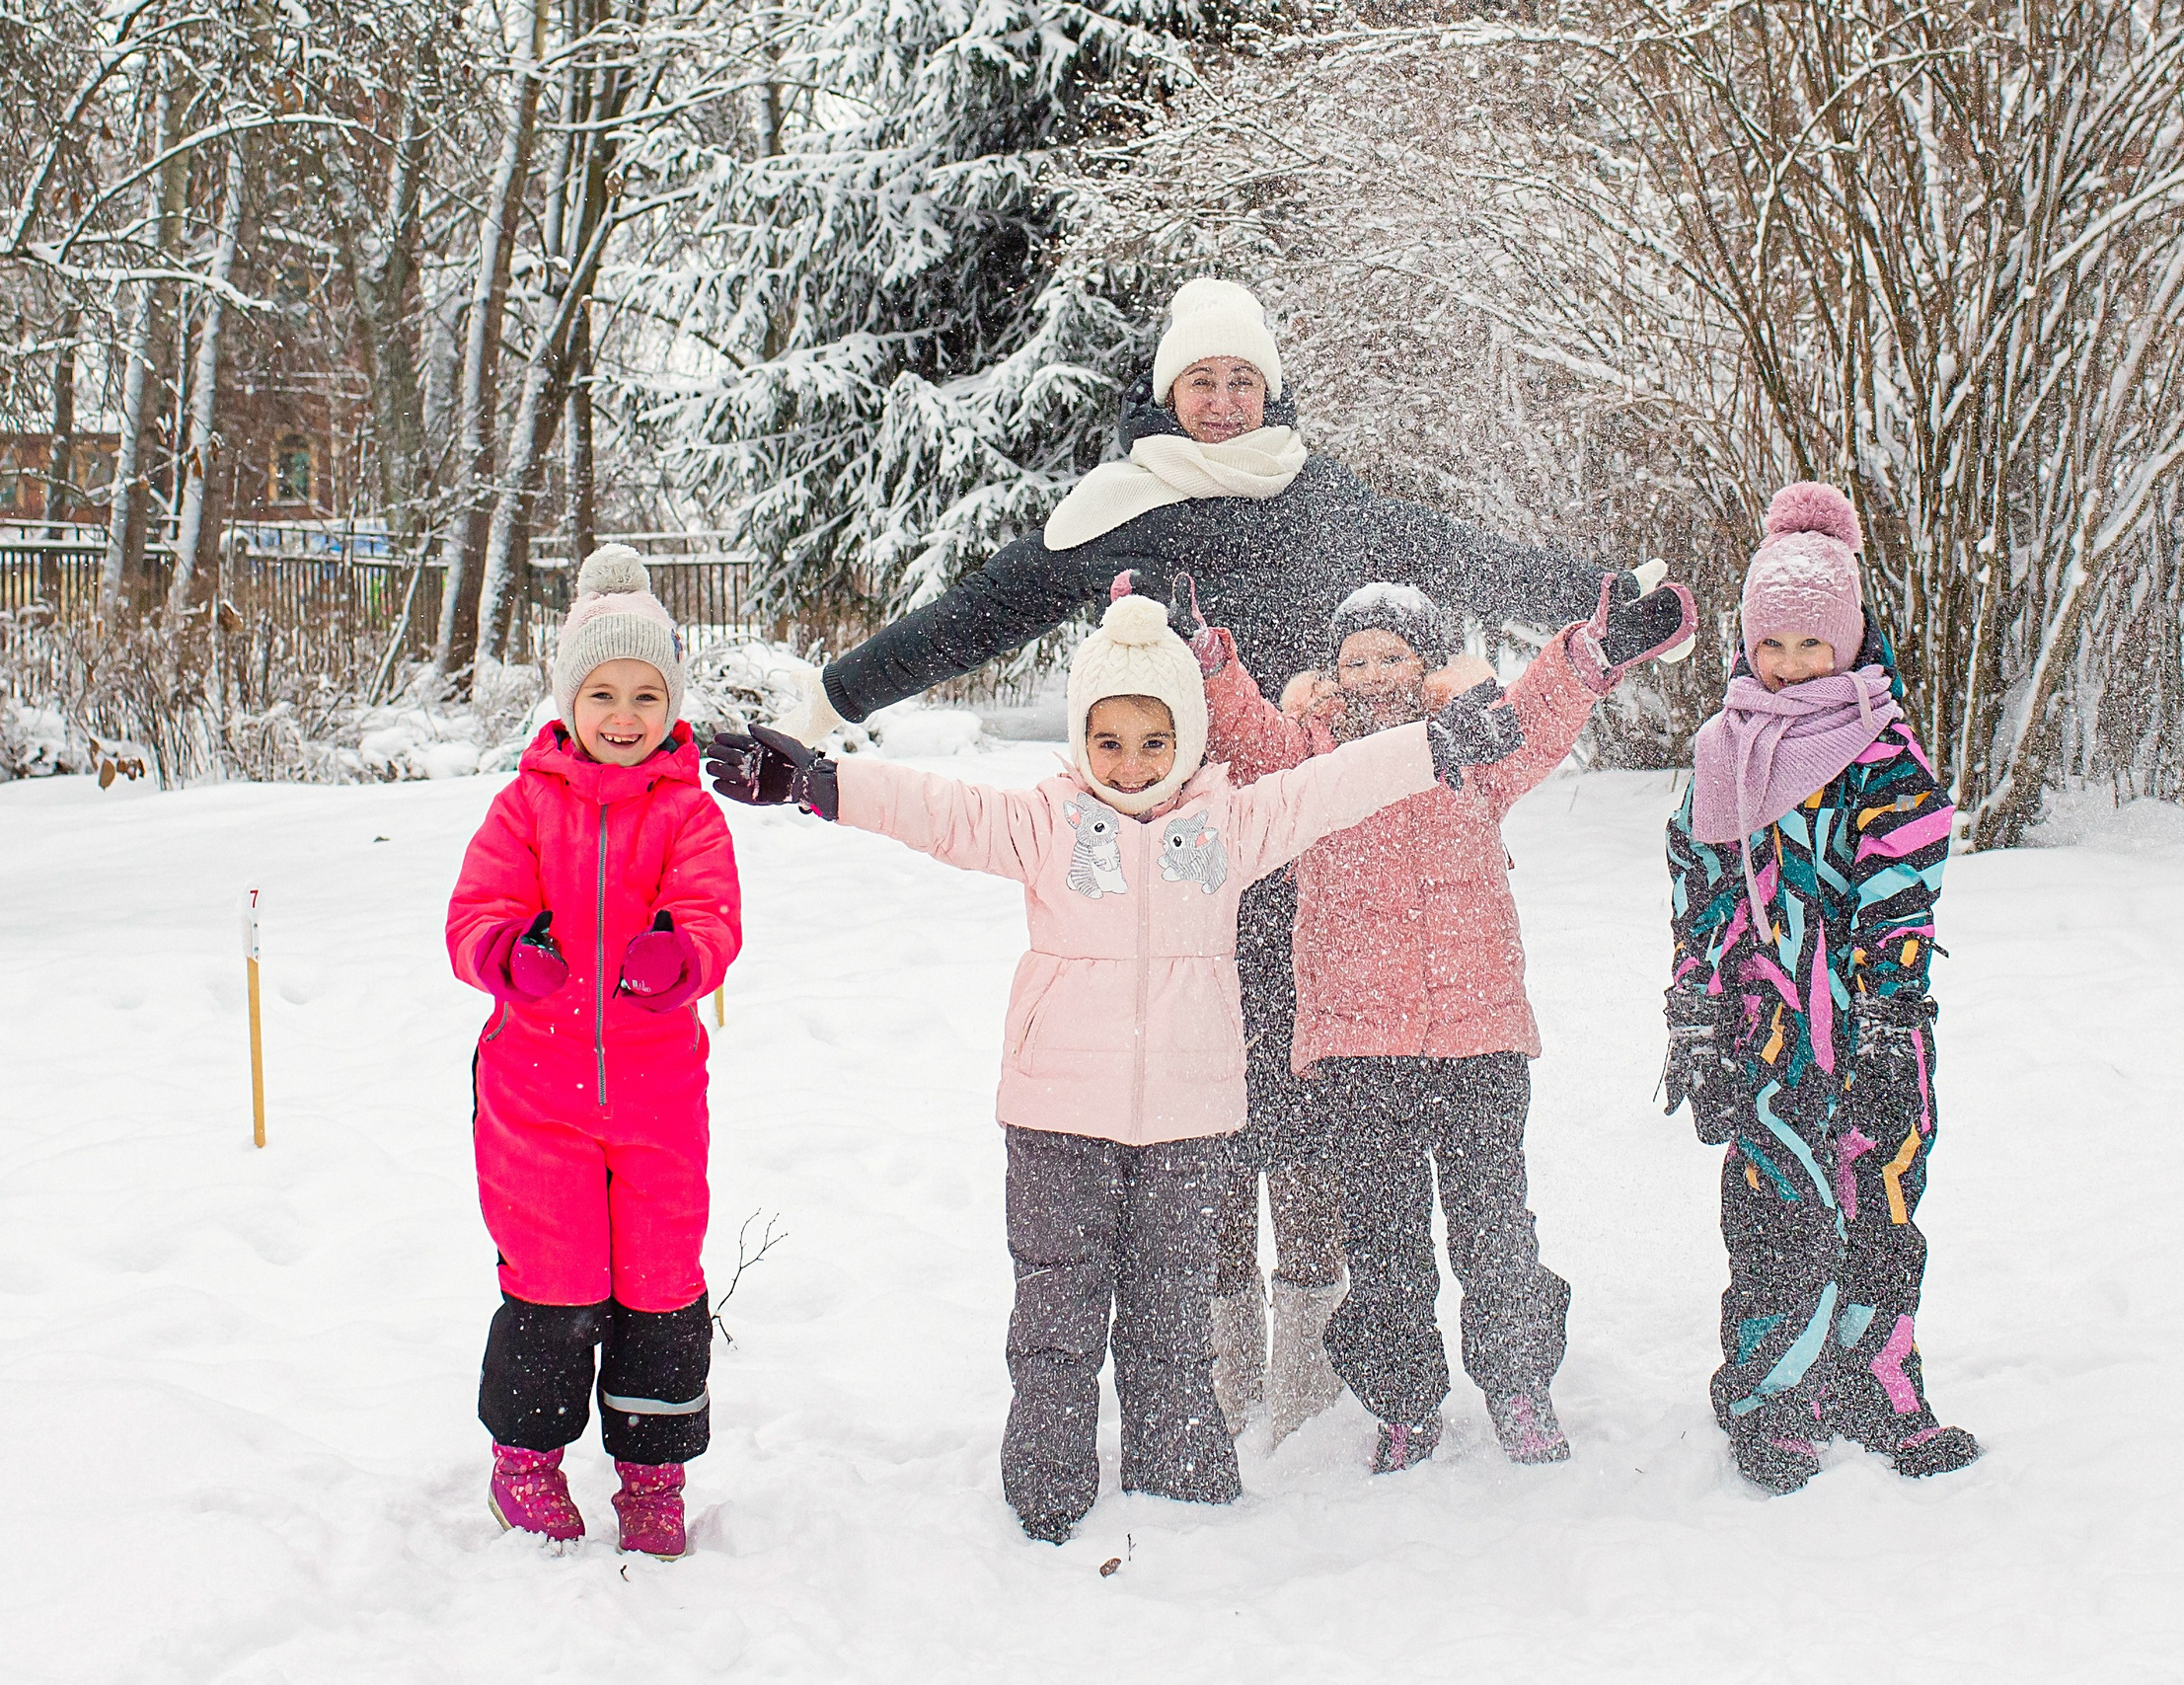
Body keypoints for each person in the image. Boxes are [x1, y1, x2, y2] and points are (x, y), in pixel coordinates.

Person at [771, 276, 1681, 1438]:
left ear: (1269, 387)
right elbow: (974, 614)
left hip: (1320, 835)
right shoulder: (1114, 512)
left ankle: (1311, 1361)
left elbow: (1449, 555)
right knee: (1196, 1093)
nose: (1220, 400)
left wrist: (1590, 595)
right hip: (1179, 842)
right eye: (1199, 380)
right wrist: (837, 693)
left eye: (1240, 379)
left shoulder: (1317, 491)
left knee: (1309, 1098)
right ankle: (1213, 1360)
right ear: (1165, 391)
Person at [702, 590, 1529, 1542]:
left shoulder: (1227, 826)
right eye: (1110, 742)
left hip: (1186, 1118)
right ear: (1080, 740)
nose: (1132, 764)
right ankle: (1048, 1474)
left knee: (1170, 1310)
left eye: (1154, 740)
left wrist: (1435, 744)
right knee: (1057, 1308)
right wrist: (822, 781)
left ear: (1185, 737)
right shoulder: (1046, 825)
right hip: (1059, 1115)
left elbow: (1331, 786)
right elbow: (941, 809)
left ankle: (1175, 1460)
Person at [1199, 575, 1696, 1469]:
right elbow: (1243, 731)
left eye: (1393, 655)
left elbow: (1540, 712)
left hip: (1478, 1033)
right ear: (1333, 673)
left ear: (1425, 663)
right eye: (1356, 660)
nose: (1375, 673)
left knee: (1495, 1225)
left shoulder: (1472, 742)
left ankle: (1517, 1383)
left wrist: (1589, 653)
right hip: (1361, 1045)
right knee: (1386, 1237)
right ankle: (1402, 1403)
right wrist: (1211, 664)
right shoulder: (1309, 760)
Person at [1659, 483, 1979, 1494]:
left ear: (1848, 642)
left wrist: (1890, 1006)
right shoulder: (1720, 755)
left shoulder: (1884, 753)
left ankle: (1875, 1376)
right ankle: (1772, 1391)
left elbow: (1901, 894)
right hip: (1764, 1031)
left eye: (1812, 647)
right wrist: (1694, 1016)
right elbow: (1700, 896)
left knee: (1880, 1195)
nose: (1793, 667)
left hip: (1872, 1024)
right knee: (1777, 1207)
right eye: (1773, 648)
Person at [445, 547, 742, 1556]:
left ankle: (651, 1476)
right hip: (537, 1101)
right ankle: (523, 1461)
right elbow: (474, 914)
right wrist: (509, 951)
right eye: (603, 693)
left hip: (657, 1106)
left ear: (671, 703)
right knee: (553, 1282)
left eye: (645, 694)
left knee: (661, 1284)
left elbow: (712, 918)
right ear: (570, 700)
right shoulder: (523, 807)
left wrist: (682, 956)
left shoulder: (689, 812)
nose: (624, 715)